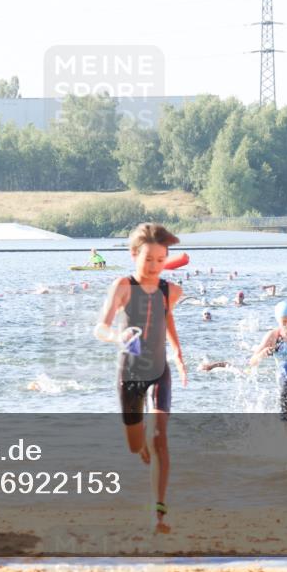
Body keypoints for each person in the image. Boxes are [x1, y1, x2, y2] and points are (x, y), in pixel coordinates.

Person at [95, 222, 186, 534]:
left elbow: (167, 318)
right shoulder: (122, 286)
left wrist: (179, 353)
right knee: (136, 445)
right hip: (130, 372)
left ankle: (159, 511)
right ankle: (142, 443)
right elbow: (101, 327)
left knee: (160, 435)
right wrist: (118, 337)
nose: (154, 267)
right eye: (148, 259)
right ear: (134, 254)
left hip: (159, 370)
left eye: (161, 260)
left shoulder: (170, 290)